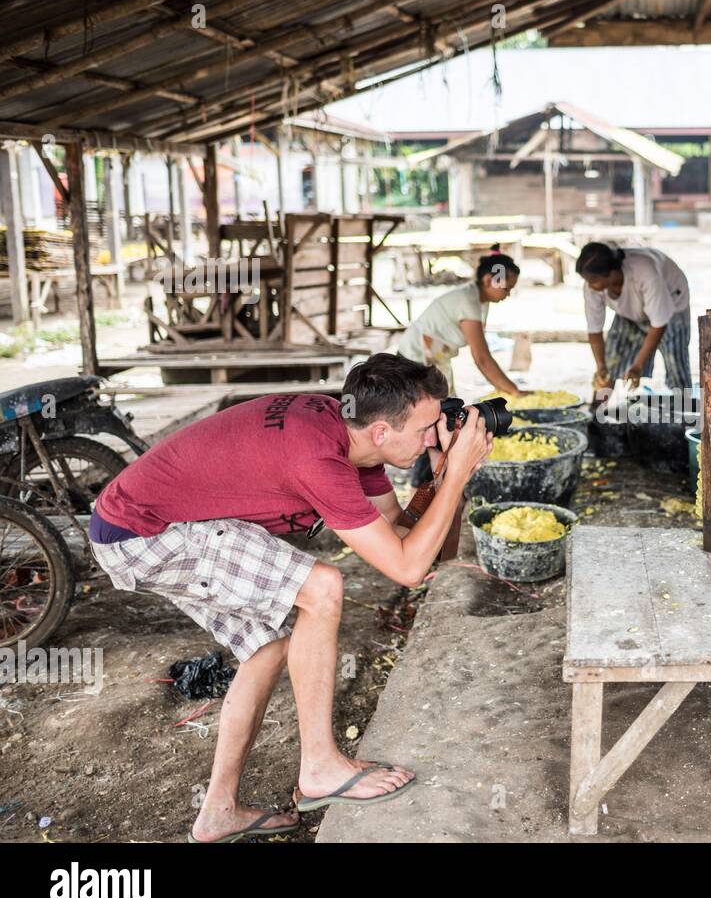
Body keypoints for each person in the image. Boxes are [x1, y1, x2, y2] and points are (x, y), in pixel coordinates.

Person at [89, 354, 493, 842]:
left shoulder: (354, 439)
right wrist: (455, 478)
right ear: (383, 430)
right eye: (429, 428)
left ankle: (218, 811)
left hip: (155, 522)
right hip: (142, 532)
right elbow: (406, 570)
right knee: (322, 588)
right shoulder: (318, 458)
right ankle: (320, 767)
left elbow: (414, 542)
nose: (436, 434)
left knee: (270, 646)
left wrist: (445, 473)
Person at [397, 246, 520, 484]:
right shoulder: (468, 300)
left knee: (446, 417)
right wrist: (514, 391)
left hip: (434, 361)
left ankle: (439, 478)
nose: (507, 294)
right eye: (506, 287)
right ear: (488, 279)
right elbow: (482, 358)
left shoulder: (477, 299)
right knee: (433, 421)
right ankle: (425, 484)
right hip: (416, 363)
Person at [579, 242, 692, 391]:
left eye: (593, 281)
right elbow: (594, 329)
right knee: (612, 364)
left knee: (676, 365)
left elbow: (659, 324)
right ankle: (599, 409)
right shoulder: (592, 286)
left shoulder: (645, 272)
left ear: (611, 273)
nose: (589, 285)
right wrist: (601, 366)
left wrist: (637, 366)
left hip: (672, 307)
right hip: (632, 311)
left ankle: (683, 407)